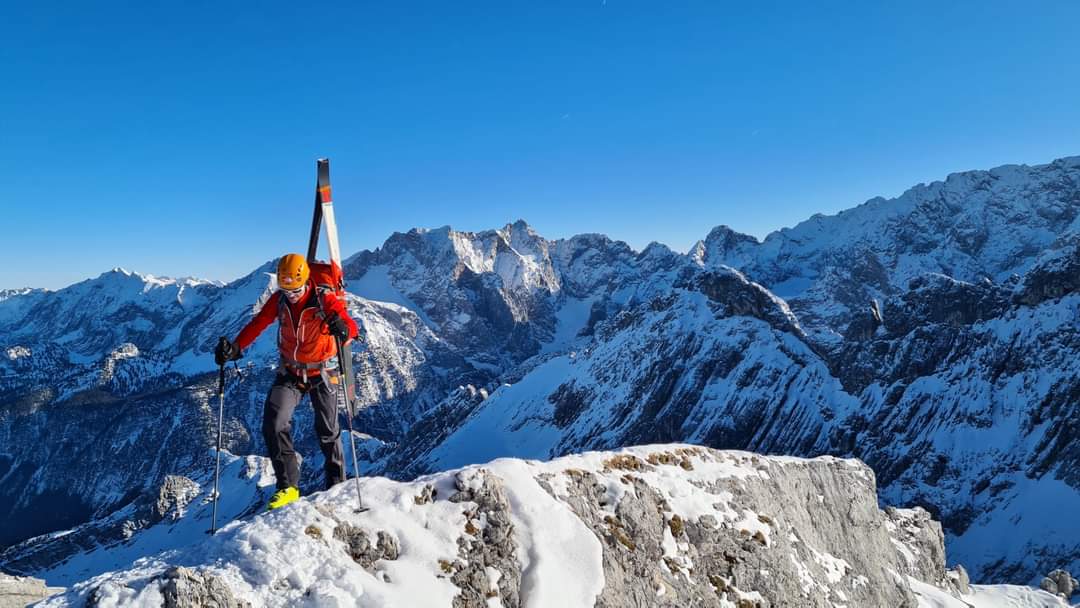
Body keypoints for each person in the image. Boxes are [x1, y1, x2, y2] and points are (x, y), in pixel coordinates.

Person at [215, 253, 359, 510]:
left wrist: (344, 328)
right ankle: (288, 488)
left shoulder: (323, 299)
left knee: (328, 431)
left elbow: (350, 326)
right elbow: (260, 322)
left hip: (322, 372)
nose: (291, 295)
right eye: (286, 290)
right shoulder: (280, 299)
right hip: (290, 371)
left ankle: (337, 486)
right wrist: (235, 348)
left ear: (306, 282)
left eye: (296, 290)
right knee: (274, 423)